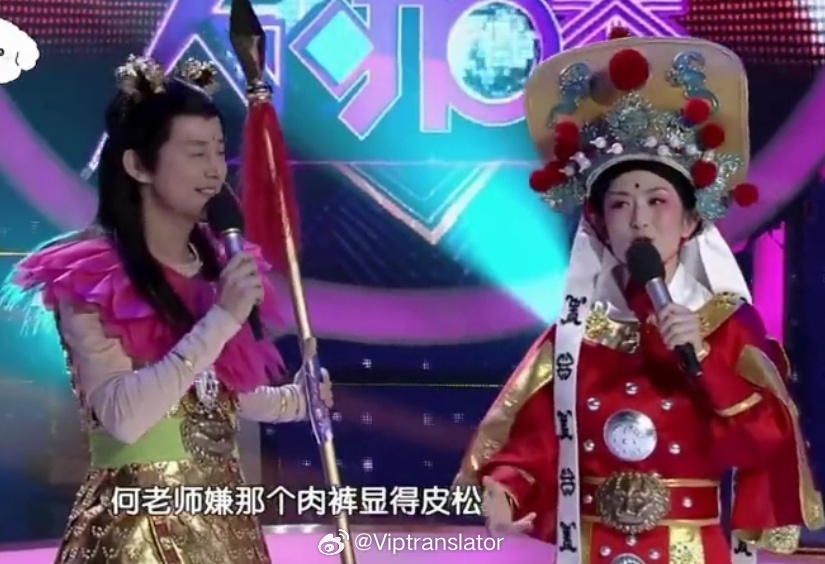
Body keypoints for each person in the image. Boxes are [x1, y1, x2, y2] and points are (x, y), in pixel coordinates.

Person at [455, 32, 824, 563]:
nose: (640, 220)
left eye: (657, 201)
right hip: (592, 549)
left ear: (690, 221)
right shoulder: (577, 335)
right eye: (620, 205)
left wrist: (703, 361)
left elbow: (761, 441)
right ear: (601, 227)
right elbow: (534, 442)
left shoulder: (725, 325)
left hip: (691, 549)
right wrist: (503, 489)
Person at [4, 56, 331, 563]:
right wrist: (221, 319)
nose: (215, 171)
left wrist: (299, 400)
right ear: (138, 165)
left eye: (219, 150)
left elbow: (218, 397)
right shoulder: (92, 277)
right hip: (138, 532)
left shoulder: (217, 265)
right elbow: (125, 417)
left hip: (224, 528)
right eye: (196, 153)